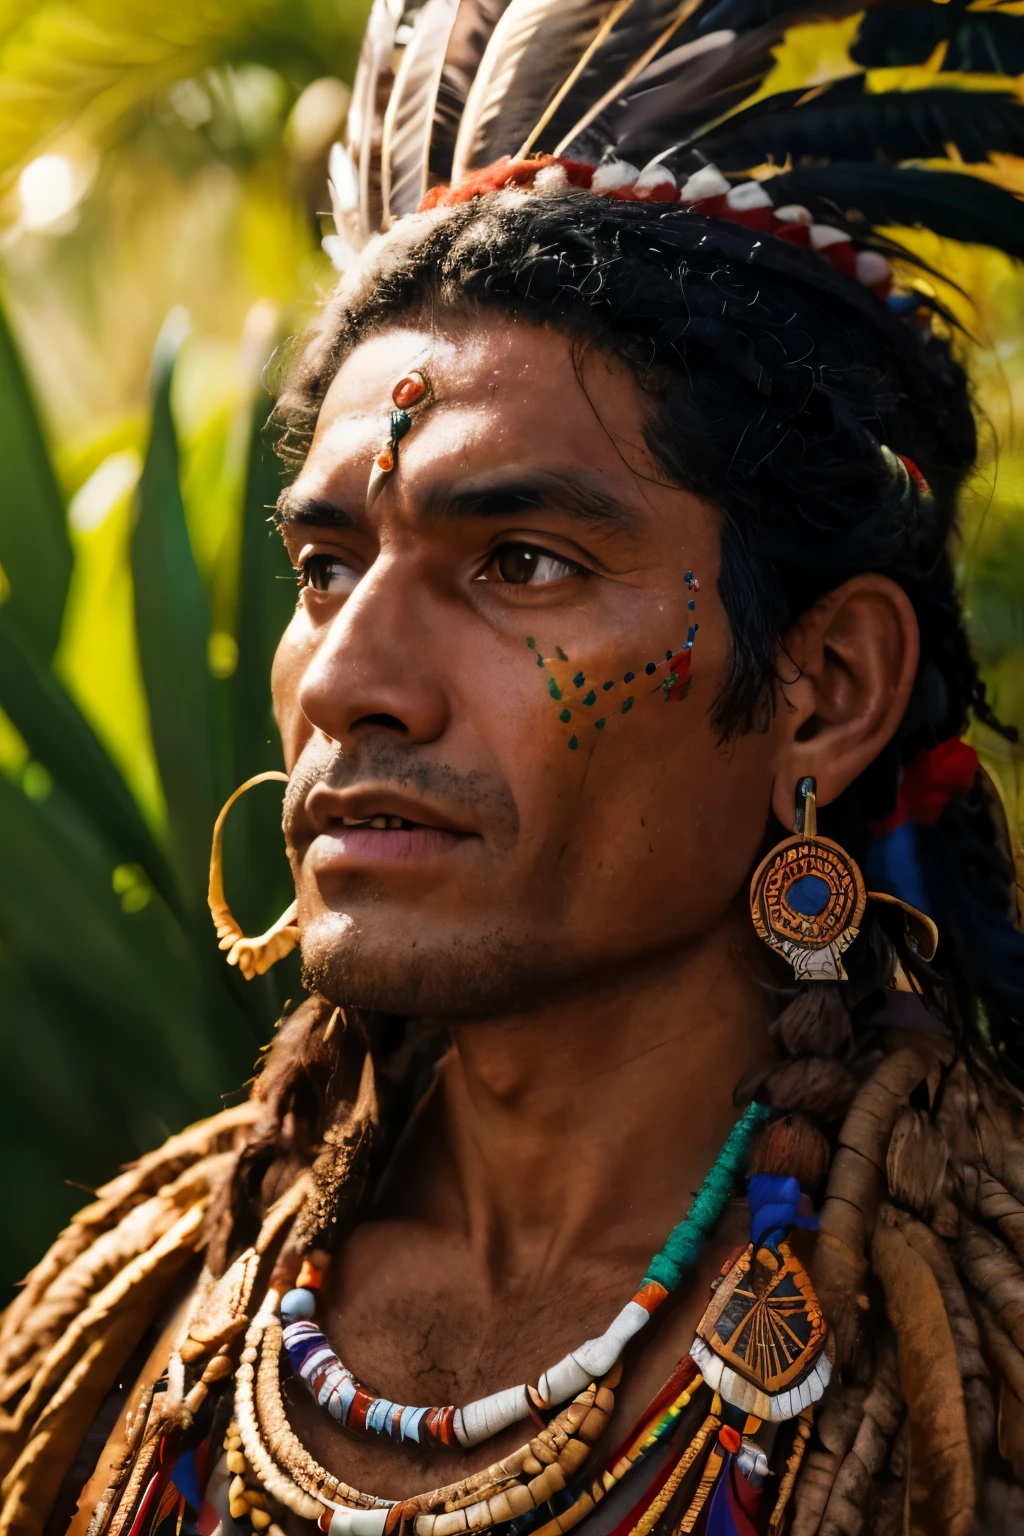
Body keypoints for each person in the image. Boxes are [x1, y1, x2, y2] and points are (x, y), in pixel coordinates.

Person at [3, 1, 1024, 1532]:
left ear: (822, 689)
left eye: (523, 562)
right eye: (328, 566)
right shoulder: (126, 1329)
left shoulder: (979, 1347)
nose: (352, 681)